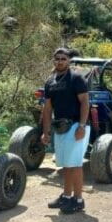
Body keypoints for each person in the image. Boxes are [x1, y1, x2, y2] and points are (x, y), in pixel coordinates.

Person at [41, 48, 90, 213]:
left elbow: (85, 102)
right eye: (57, 58)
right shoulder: (50, 82)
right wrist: (46, 132)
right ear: (53, 61)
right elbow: (47, 109)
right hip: (60, 127)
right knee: (66, 165)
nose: (60, 61)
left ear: (69, 61)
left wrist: (82, 126)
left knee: (75, 164)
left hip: (76, 126)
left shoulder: (76, 78)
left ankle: (78, 200)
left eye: (63, 58)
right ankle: (66, 197)